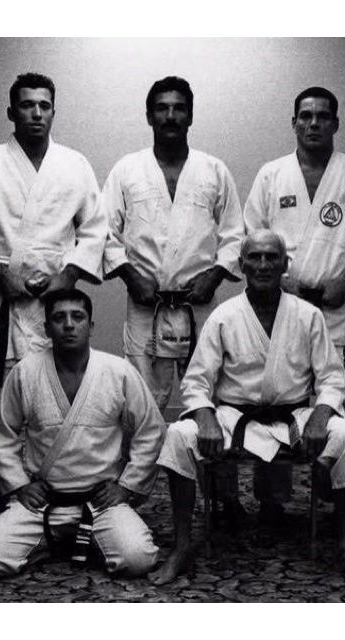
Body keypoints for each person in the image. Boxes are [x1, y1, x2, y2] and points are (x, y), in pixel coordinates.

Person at [149, 230, 345, 586]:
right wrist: (206, 419)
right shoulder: (224, 316)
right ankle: (181, 546)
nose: (263, 264)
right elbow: (196, 382)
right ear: (241, 265)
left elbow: (332, 379)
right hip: (234, 416)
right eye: (254, 257)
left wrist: (320, 416)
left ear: (286, 264)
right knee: (178, 435)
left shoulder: (307, 315)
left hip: (294, 416)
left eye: (272, 257)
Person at [0, 72, 107, 540]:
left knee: (56, 400)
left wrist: (68, 275)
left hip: (55, 306)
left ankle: (60, 499)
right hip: (4, 302)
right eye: (27, 105)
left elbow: (95, 228)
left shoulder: (74, 164)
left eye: (44, 105)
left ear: (54, 110)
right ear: (11, 111)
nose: (37, 113)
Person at [102, 76, 246, 522]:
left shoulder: (214, 170)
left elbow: (235, 233)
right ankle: (130, 496)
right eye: (161, 108)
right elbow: (103, 233)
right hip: (146, 305)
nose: (170, 115)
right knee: (139, 404)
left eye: (179, 108)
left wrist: (217, 273)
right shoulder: (127, 170)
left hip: (200, 303)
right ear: (149, 116)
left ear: (190, 114)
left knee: (217, 399)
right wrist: (129, 276)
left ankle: (224, 497)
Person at [0, 289, 165, 578]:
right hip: (43, 501)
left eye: (78, 317)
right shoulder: (26, 371)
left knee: (138, 559)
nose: (69, 324)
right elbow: (2, 432)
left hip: (100, 502)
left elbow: (151, 429)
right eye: (59, 318)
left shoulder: (117, 371)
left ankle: (73, 540)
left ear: (91, 326)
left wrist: (126, 487)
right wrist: (19, 485)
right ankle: (68, 541)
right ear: (47, 327)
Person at [244, 86, 345, 408]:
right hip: (281, 301)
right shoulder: (271, 174)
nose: (313, 123)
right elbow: (252, 234)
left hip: (335, 305)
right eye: (306, 116)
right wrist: (276, 279)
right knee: (282, 388)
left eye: (322, 116)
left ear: (335, 123)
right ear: (294, 123)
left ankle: (332, 455)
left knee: (336, 394)